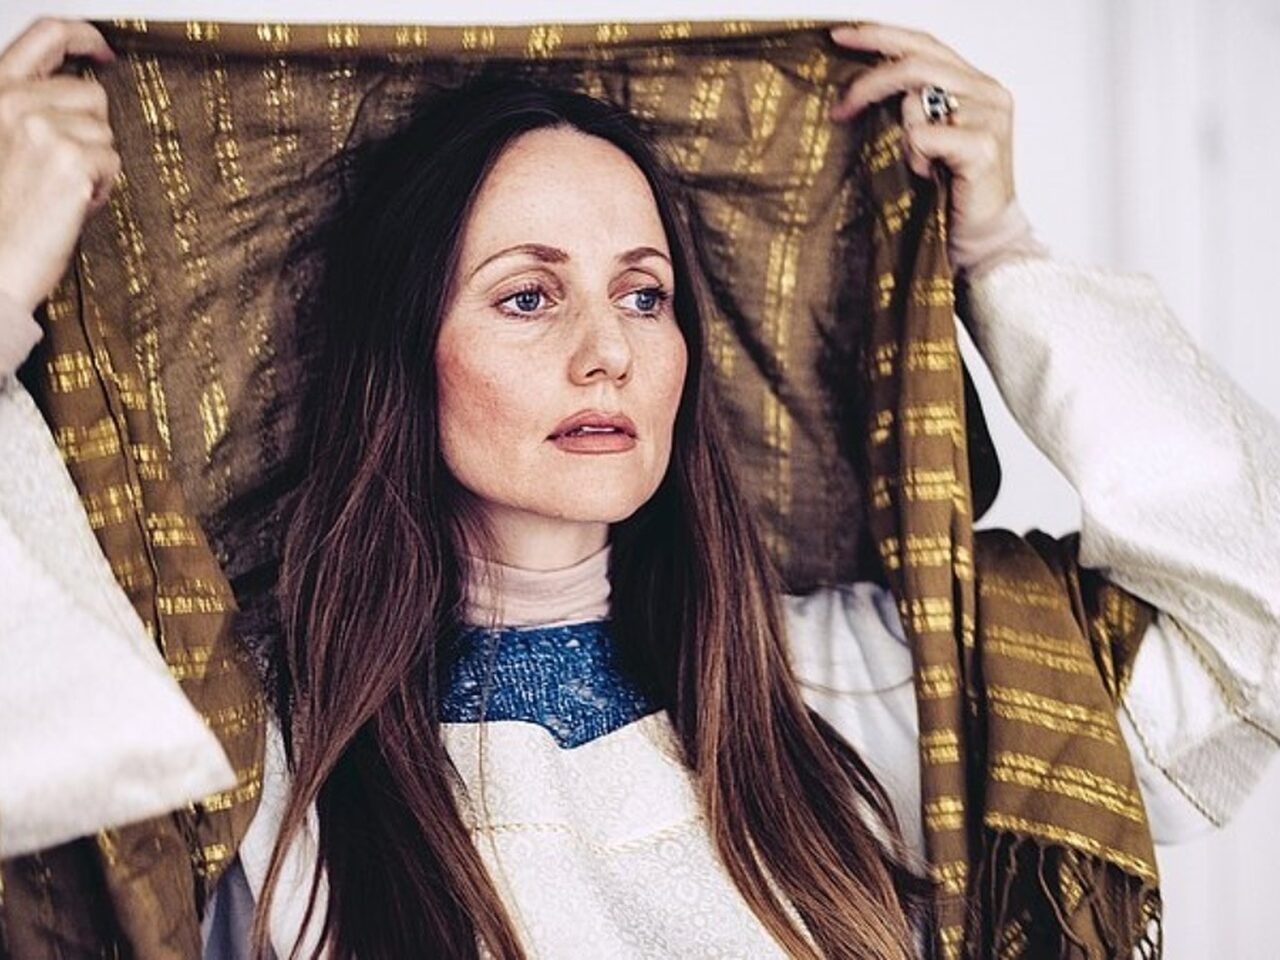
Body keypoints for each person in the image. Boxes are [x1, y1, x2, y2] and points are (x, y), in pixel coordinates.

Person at [0, 15, 1277, 960]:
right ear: (402, 355)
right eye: (526, 295)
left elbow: (1246, 633)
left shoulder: (869, 685)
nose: (606, 349)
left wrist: (998, 247)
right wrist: (3, 286)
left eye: (643, 293)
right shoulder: (242, 756)